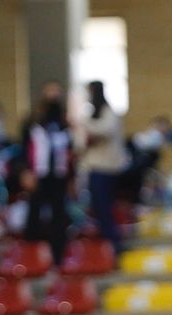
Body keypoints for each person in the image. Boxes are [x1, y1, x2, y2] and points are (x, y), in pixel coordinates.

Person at [23, 89, 72, 265]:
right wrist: (27, 171)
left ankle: (58, 258)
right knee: (34, 216)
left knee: (59, 219)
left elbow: (69, 153)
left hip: (58, 177)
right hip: (39, 175)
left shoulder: (64, 126)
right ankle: (31, 258)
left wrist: (70, 178)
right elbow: (24, 150)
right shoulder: (32, 125)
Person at [78, 81, 125, 250]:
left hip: (106, 169)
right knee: (98, 208)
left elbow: (105, 130)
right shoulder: (93, 114)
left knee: (105, 208)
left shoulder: (107, 112)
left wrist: (83, 123)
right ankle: (106, 244)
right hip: (94, 167)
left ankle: (113, 244)